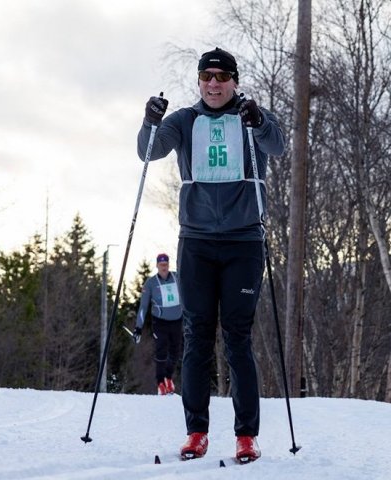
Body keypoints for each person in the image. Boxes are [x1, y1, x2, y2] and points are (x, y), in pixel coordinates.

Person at [136, 48, 285, 463]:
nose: (214, 84)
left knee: (237, 338)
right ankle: (196, 432)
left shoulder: (251, 115)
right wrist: (149, 119)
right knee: (196, 337)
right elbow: (148, 152)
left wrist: (261, 121)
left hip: (243, 243)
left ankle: (246, 436)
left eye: (222, 77)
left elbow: (277, 146)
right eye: (207, 77)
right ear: (199, 81)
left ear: (234, 81)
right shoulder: (184, 120)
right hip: (197, 242)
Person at [133, 253, 183, 395]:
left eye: (166, 265)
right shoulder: (151, 283)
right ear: (157, 266)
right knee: (161, 350)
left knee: (175, 352)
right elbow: (143, 307)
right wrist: (138, 328)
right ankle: (160, 382)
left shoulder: (177, 277)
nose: (164, 268)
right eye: (161, 265)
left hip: (177, 320)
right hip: (160, 322)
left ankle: (168, 377)